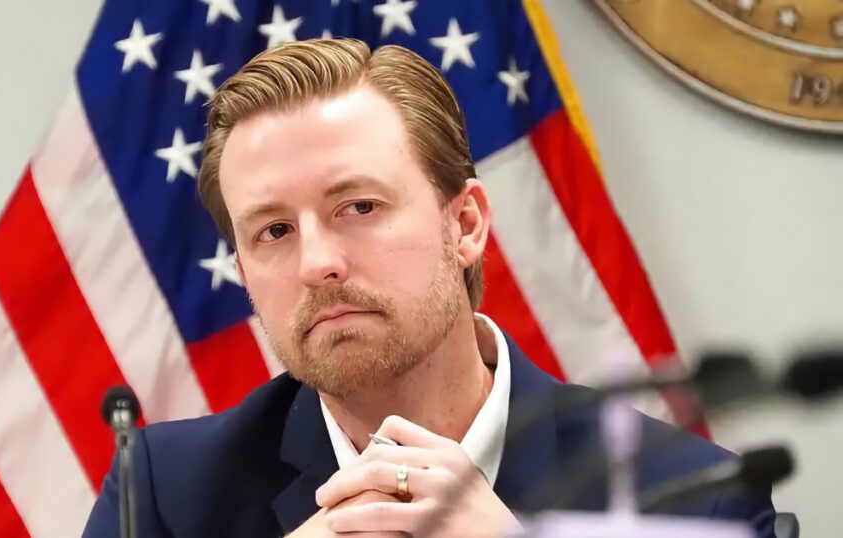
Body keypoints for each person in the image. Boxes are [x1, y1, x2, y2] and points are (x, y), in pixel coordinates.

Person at [83, 38, 776, 537]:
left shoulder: (696, 501)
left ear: (465, 224)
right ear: (243, 274)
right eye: (274, 231)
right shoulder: (162, 498)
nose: (317, 262)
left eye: (359, 207)